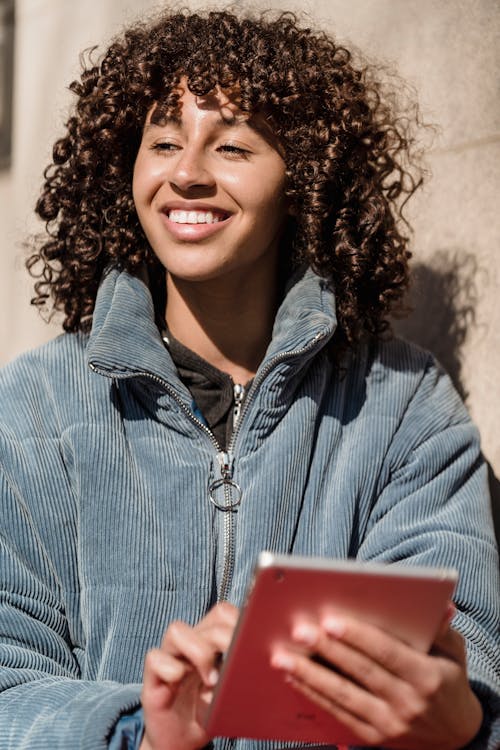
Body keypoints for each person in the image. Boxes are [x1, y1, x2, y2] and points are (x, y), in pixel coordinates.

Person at [0, 7, 498, 750]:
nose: (187, 173)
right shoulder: (32, 407)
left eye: (231, 146)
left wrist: (465, 720)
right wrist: (144, 731)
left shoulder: (402, 404)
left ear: (305, 181)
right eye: (163, 141)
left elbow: (466, 647)